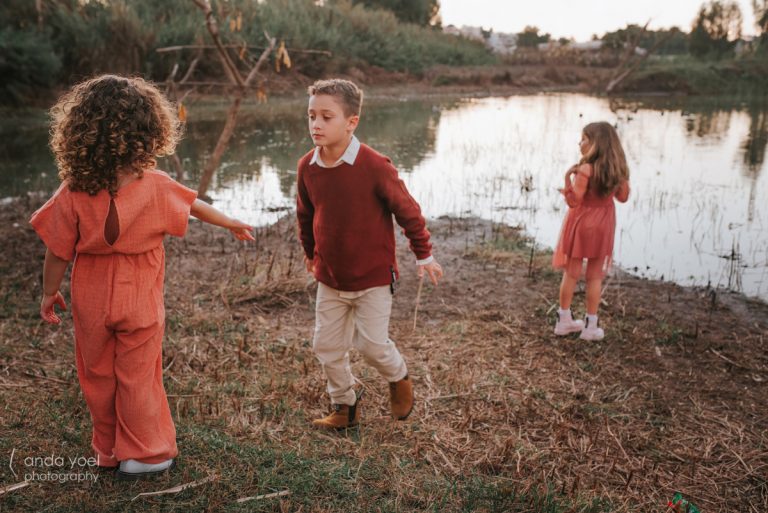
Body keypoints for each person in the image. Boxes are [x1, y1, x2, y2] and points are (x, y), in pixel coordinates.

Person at [30, 74, 255, 478]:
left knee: (97, 372)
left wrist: (49, 293)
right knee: (137, 374)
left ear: (80, 132)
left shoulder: (74, 189)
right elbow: (195, 206)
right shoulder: (154, 184)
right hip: (139, 292)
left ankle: (108, 450)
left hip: (91, 294)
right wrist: (230, 222)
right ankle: (145, 454)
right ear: (149, 132)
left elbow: (57, 250)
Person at [296, 79, 444, 430]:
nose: (316, 124)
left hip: (373, 278)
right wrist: (310, 251)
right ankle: (344, 406)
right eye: (311, 115)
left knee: (373, 345)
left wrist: (423, 254)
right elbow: (306, 213)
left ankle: (399, 376)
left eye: (326, 117)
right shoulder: (308, 167)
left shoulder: (374, 165)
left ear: (351, 122)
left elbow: (408, 210)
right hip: (330, 277)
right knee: (326, 346)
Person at [552, 121, 631, 341]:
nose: (580, 143)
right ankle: (591, 326)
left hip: (581, 225)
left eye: (584, 139)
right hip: (604, 225)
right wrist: (624, 174)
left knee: (572, 273)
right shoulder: (616, 171)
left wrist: (568, 179)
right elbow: (623, 198)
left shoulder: (585, 169)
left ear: (596, 143)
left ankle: (564, 320)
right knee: (595, 277)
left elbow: (574, 202)